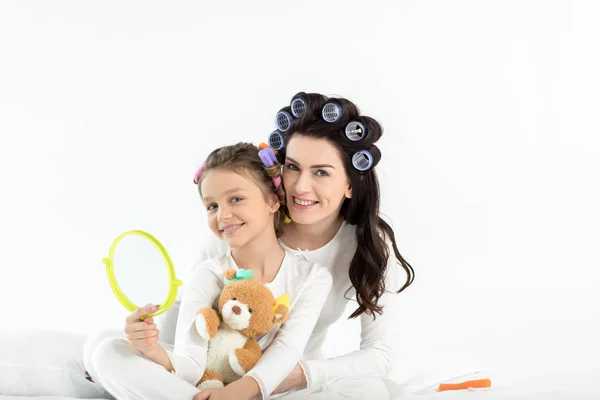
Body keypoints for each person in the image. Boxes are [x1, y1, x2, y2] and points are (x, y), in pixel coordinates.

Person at [0, 92, 414, 400]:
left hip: (283, 381)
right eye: (292, 167)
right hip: (204, 369)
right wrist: (154, 357)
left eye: (321, 172)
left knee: (375, 390)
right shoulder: (242, 225)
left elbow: (380, 354)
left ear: (350, 183)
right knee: (103, 349)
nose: (301, 186)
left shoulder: (358, 255)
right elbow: (187, 310)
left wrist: (286, 378)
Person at [83, 142, 333, 400]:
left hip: (261, 391)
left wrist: (239, 392)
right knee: (108, 351)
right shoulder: (208, 274)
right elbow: (191, 362)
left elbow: (286, 350)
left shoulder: (312, 278)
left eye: (236, 199)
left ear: (272, 201)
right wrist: (151, 350)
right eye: (212, 206)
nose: (223, 215)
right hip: (204, 385)